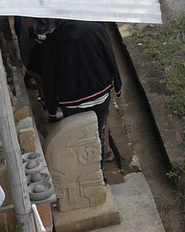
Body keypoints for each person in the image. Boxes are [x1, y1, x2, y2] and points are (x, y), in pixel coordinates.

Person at [28, 19, 121, 160]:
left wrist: (52, 110)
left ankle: (88, 169)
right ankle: (101, 170)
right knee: (100, 132)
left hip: (71, 101)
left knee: (79, 139)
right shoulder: (96, 29)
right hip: (100, 93)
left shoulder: (52, 42)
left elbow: (49, 78)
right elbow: (110, 56)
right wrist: (118, 86)